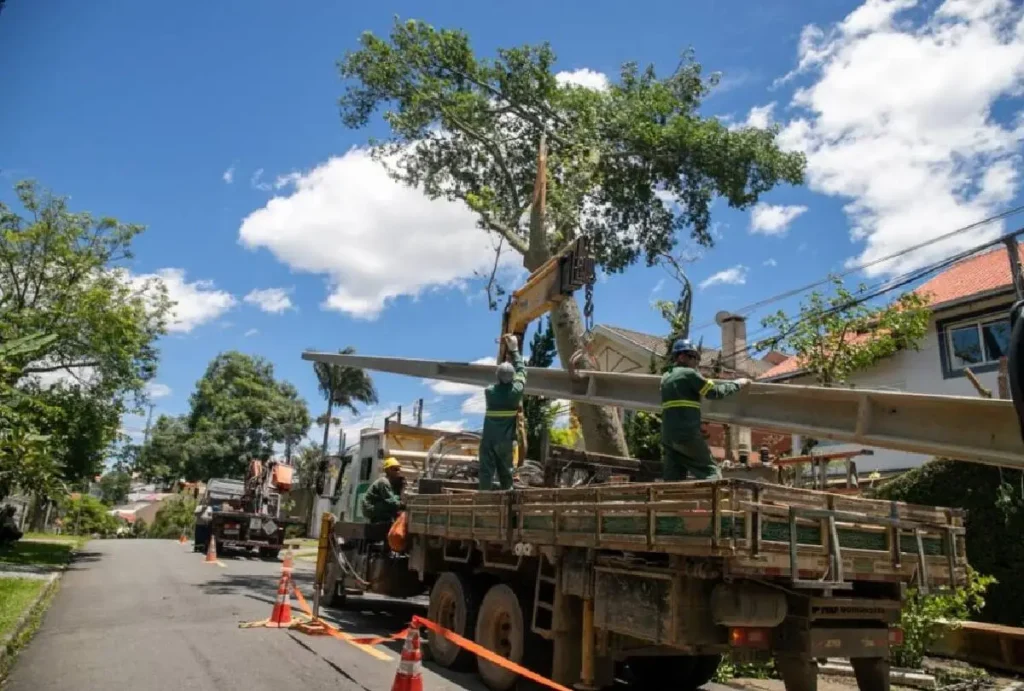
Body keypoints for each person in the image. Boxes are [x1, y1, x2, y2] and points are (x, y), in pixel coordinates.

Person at [661, 338, 750, 481]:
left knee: (673, 477)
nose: (696, 361)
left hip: (668, 436)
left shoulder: (666, 377)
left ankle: (670, 496)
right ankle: (717, 494)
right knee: (710, 471)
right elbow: (714, 392)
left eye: (697, 358)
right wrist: (737, 384)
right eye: (693, 357)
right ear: (681, 356)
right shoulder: (688, 374)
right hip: (687, 435)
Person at [478, 333, 527, 490]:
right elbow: (522, 371)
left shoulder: (489, 392)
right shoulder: (516, 391)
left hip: (489, 441)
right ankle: (507, 498)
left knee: (486, 473)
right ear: (512, 378)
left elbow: (498, 384)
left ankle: (483, 499)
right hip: (505, 442)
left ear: (497, 376)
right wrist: (514, 349)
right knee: (506, 473)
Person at [361, 457, 405, 524]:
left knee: (394, 502)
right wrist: (402, 505)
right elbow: (389, 499)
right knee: (390, 505)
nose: (398, 472)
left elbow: (395, 497)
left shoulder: (390, 482)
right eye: (395, 469)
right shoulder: (383, 482)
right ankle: (382, 520)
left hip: (377, 506)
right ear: (388, 470)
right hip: (370, 508)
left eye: (399, 469)